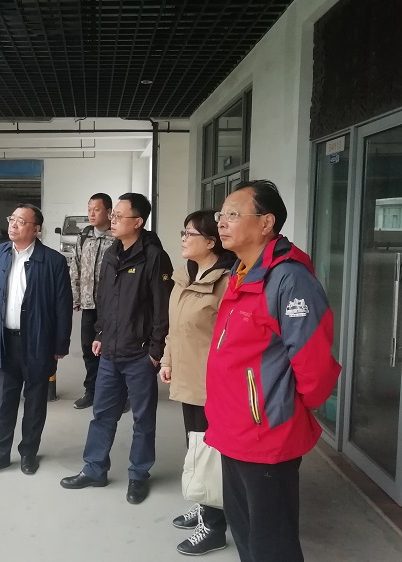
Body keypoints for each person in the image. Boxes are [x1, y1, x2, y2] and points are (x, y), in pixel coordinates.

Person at [205, 180, 341, 562]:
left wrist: (285, 408)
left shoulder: (289, 279)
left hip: (265, 434)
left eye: (233, 214)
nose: (222, 222)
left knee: (271, 543)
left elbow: (314, 363)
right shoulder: (242, 272)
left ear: (266, 223)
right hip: (232, 429)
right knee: (245, 532)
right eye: (221, 215)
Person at [60, 193, 173, 504]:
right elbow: (106, 301)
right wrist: (100, 332)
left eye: (119, 216)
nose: (113, 220)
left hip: (139, 355)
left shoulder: (154, 257)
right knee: (102, 415)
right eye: (113, 215)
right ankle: (94, 469)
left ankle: (138, 474)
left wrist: (155, 351)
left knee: (143, 420)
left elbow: (162, 309)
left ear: (137, 222)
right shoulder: (112, 253)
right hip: (110, 352)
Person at [0, 203, 73, 479]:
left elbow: (63, 306)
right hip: (6, 340)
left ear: (36, 229)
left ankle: (28, 452)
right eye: (12, 219)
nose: (13, 225)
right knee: (6, 400)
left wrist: (60, 344)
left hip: (38, 342)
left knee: (36, 401)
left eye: (21, 221)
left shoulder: (53, 261)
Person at [158, 210, 236, 556]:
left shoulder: (225, 282)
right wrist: (167, 360)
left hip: (212, 386)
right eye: (183, 232)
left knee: (209, 455)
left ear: (211, 242)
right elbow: (175, 328)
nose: (183, 239)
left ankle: (214, 527)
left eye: (190, 233)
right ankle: (203, 504)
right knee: (196, 448)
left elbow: (229, 338)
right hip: (188, 381)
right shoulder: (185, 277)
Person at [69, 193, 115, 409]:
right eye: (89, 209)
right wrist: (77, 297)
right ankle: (92, 391)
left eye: (96, 209)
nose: (91, 214)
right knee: (89, 349)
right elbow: (75, 266)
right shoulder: (85, 235)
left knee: (112, 349)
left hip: (111, 306)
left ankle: (117, 393)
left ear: (109, 211)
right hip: (89, 304)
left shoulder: (117, 237)